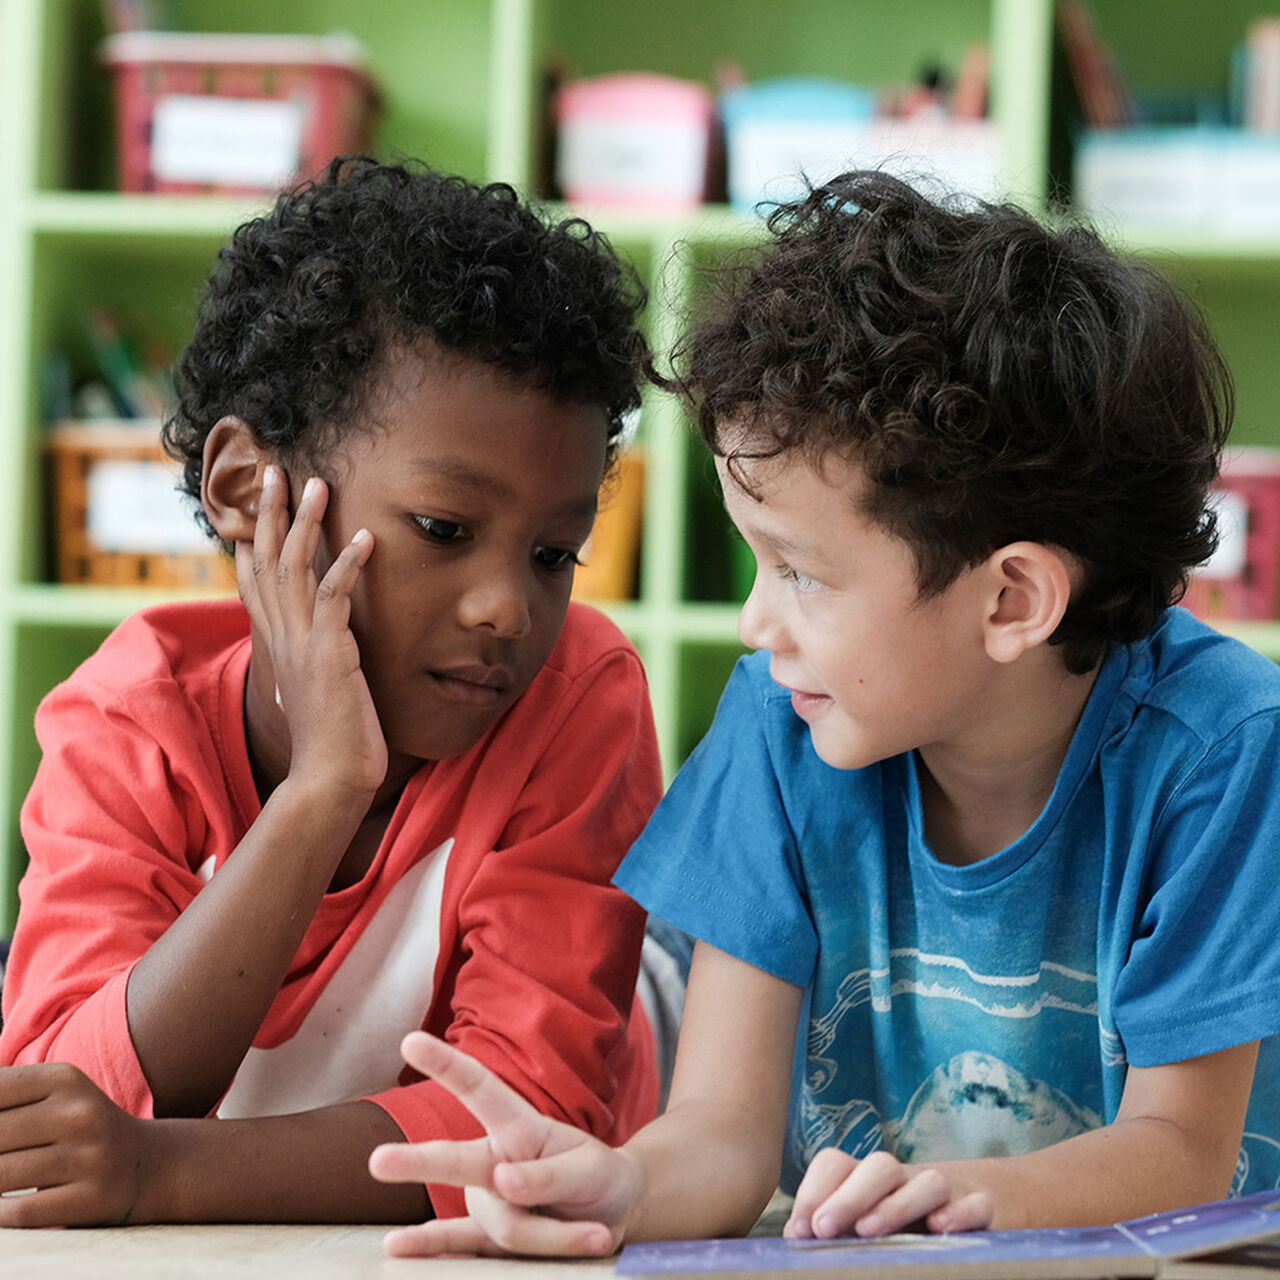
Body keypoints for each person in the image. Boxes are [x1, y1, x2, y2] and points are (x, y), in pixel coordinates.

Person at [364, 169, 1280, 1257]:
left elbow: (1177, 1147)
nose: (756, 623)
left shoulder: (1225, 749)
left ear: (1009, 598)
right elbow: (722, 1130)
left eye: (799, 572)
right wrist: (618, 1185)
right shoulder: (778, 722)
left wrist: (954, 1194)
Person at [0, 156, 666, 1226]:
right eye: (444, 530)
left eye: (555, 552)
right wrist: (323, 788)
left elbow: (532, 1124)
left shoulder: (578, 694)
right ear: (246, 490)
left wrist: (160, 1170)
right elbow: (57, 1122)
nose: (506, 606)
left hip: (630, 1036)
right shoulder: (128, 716)